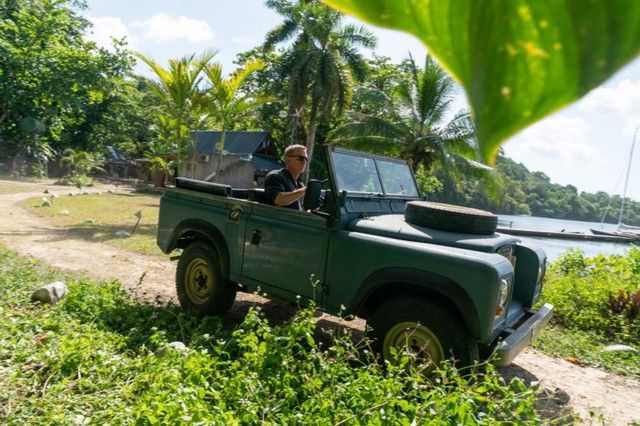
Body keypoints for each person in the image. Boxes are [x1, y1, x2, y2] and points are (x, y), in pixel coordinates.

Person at [264, 144, 308, 210]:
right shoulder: (275, 176)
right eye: (301, 158)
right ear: (288, 159)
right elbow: (278, 200)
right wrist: (305, 190)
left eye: (306, 159)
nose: (304, 162)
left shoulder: (300, 182)